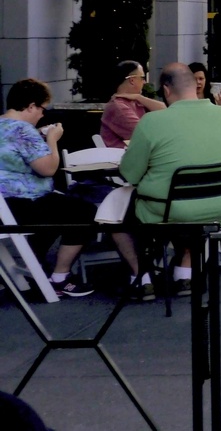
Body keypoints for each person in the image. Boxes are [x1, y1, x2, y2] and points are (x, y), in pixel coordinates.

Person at [1, 78, 139, 299]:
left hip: (6, 206)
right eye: (42, 109)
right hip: (23, 203)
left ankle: (38, 268)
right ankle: (60, 277)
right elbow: (48, 168)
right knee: (83, 213)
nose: (42, 115)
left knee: (60, 206)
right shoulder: (23, 130)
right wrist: (52, 140)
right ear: (31, 106)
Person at [120, 63, 221, 297]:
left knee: (120, 212)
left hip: (168, 210)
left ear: (166, 90)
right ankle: (184, 274)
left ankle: (141, 277)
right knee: (185, 209)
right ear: (195, 86)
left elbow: (129, 174)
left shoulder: (153, 122)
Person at [99, 60, 167, 149]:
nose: (144, 82)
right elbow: (145, 135)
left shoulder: (134, 101)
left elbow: (165, 111)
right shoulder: (118, 107)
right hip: (120, 159)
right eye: (142, 78)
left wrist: (139, 97)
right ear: (132, 80)